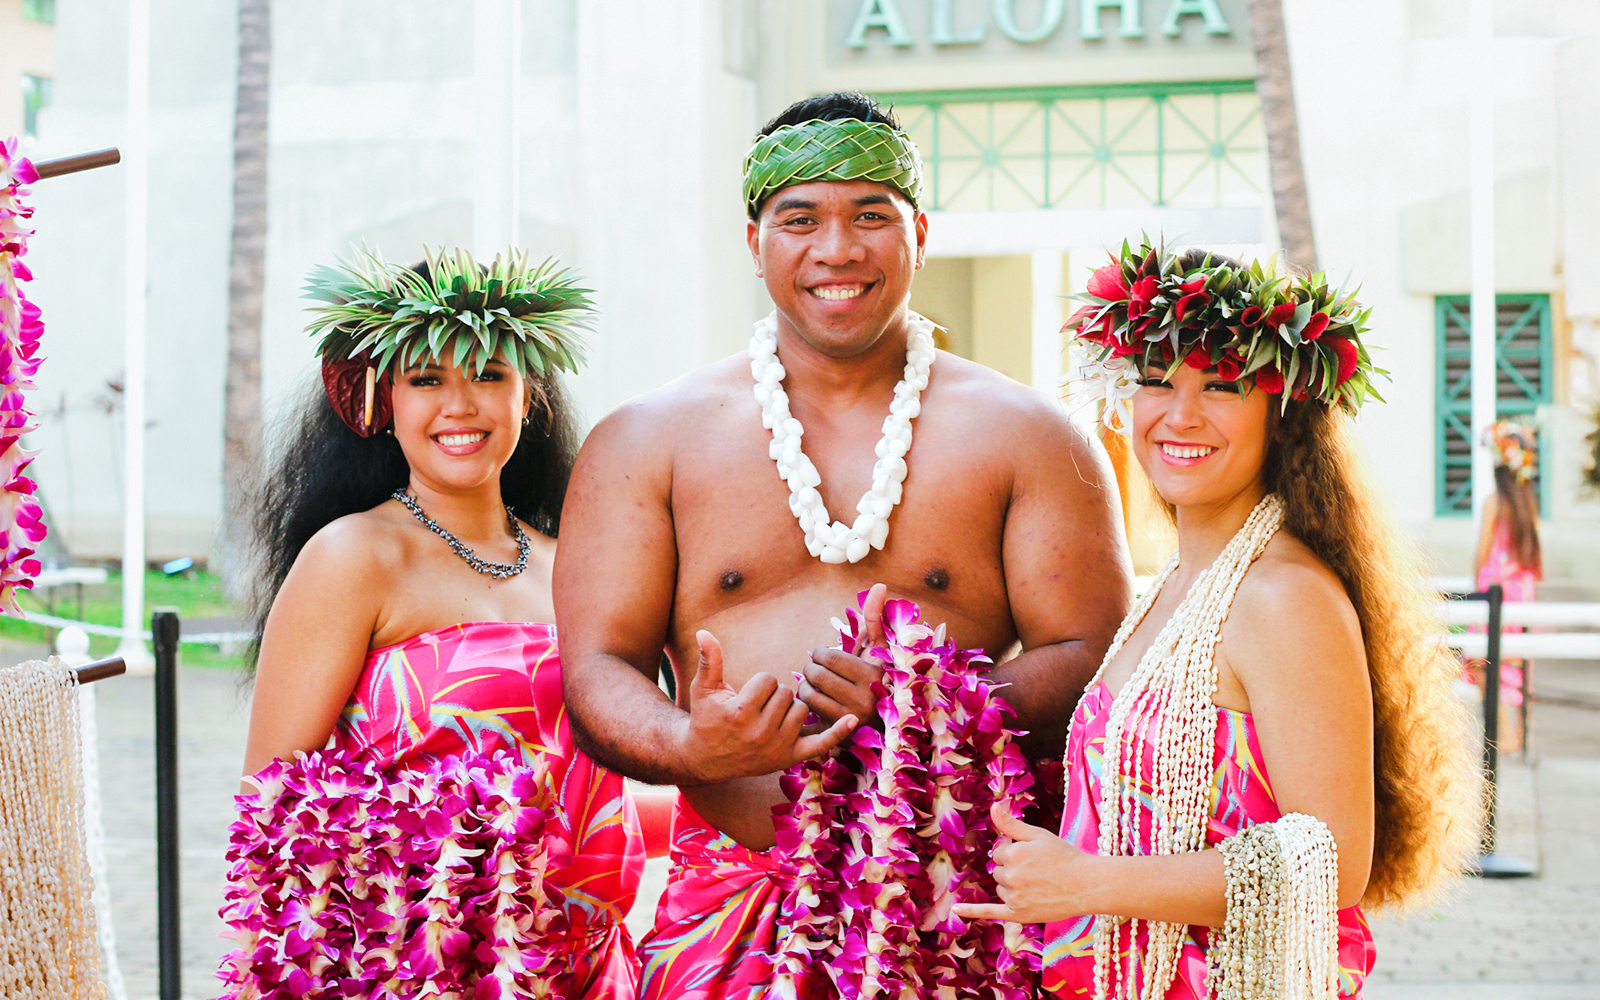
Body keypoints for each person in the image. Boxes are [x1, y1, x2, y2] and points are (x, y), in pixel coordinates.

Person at [554, 92, 1133, 1000]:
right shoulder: (647, 440)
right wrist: (689, 743)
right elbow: (594, 669)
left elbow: (1095, 658)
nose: (837, 249)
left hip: (955, 902)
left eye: (871, 215)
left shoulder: (1030, 435)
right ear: (754, 243)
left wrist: (926, 701)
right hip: (728, 904)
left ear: (920, 233)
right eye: (800, 219)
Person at [953, 244, 1481, 999]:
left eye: (1223, 387)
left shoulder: (1280, 595)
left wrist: (1087, 883)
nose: (1180, 415)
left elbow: (1333, 859)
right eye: (1157, 382)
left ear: (1282, 413)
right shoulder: (1178, 583)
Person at [227, 248, 644, 999]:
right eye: (427, 380)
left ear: (530, 396)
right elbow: (273, 807)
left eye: (490, 374)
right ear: (382, 402)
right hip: (417, 969)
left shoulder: (574, 568)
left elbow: (610, 782)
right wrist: (467, 846)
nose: (461, 405)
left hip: (583, 970)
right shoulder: (355, 557)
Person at [1471, 419, 1542, 748]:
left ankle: (1503, 735)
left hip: (1495, 593)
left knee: (1482, 661)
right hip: (1521, 594)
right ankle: (1520, 734)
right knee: (1516, 662)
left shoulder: (1494, 502)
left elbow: (1483, 551)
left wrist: (1476, 584)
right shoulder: (1528, 504)